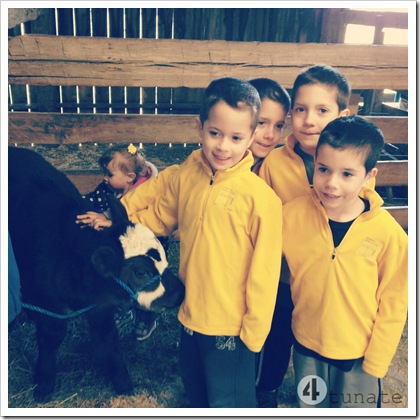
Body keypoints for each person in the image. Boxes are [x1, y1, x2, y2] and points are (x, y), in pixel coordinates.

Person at [128, 77, 283, 407]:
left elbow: (266, 272)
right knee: (195, 390)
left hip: (232, 325)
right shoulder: (190, 176)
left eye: (236, 137)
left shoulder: (261, 200)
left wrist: (254, 333)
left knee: (230, 401)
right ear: (199, 127)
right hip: (191, 313)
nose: (224, 146)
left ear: (252, 137)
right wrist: (115, 223)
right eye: (215, 133)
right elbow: (160, 215)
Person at [283, 115, 407, 408]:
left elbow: (394, 302)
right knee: (311, 406)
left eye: (347, 174)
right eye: (323, 169)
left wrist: (377, 361)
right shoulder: (291, 215)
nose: (331, 183)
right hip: (306, 345)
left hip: (359, 356)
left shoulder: (389, 235)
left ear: (369, 176)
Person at [256, 64, 355, 407]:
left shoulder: (352, 163)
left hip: (327, 279)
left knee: (318, 343)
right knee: (278, 335)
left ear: (344, 114)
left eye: (322, 110)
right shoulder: (276, 163)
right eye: (300, 109)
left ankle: (326, 396)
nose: (309, 120)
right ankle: (266, 389)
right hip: (284, 276)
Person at [80, 143, 160, 341]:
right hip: (121, 250)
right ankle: (124, 306)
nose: (104, 178)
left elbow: (142, 225)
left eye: (108, 175)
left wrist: (109, 222)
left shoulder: (148, 196)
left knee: (143, 288)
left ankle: (146, 318)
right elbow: (92, 201)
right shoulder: (108, 188)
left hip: (144, 254)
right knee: (120, 280)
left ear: (130, 178)